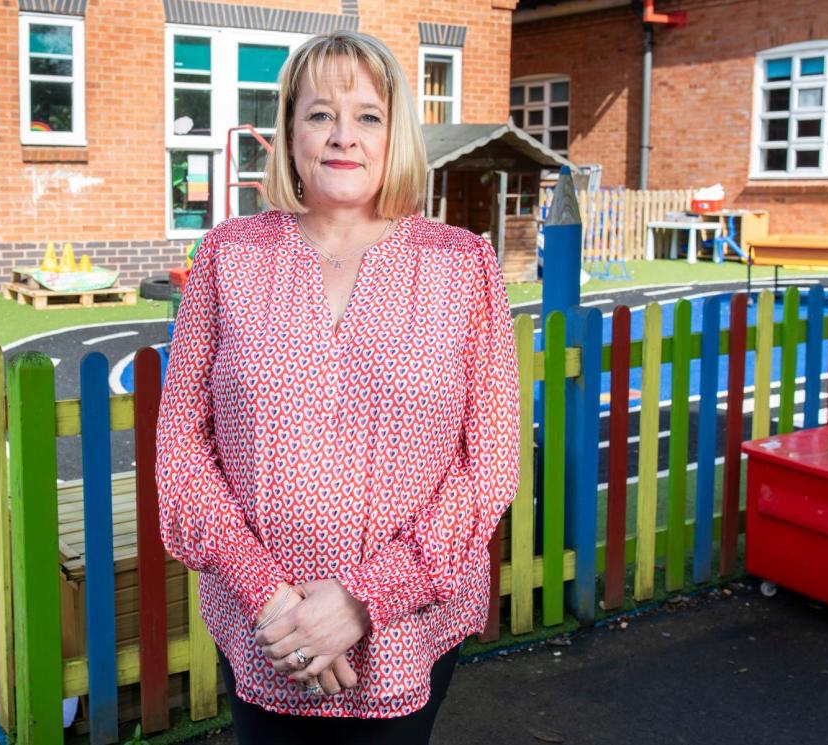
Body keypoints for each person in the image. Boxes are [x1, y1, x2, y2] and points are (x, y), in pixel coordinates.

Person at [155, 30, 520, 744]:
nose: (343, 135)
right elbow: (180, 446)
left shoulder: (463, 265)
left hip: (409, 627)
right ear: (290, 131)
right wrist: (272, 598)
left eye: (368, 115)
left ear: (396, 135)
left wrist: (362, 598)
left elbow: (492, 460)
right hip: (265, 625)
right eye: (320, 113)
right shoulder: (229, 256)